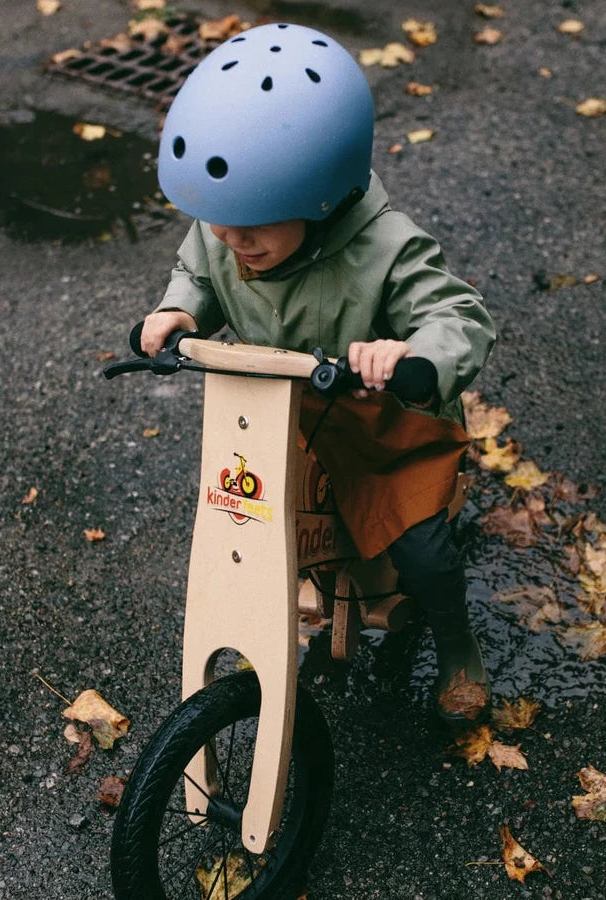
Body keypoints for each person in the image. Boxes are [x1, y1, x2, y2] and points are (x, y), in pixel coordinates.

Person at [140, 22, 496, 726]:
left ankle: (458, 645)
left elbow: (460, 314)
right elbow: (196, 271)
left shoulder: (386, 245)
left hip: (380, 429)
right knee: (250, 526)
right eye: (220, 223)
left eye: (254, 226)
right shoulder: (228, 228)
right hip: (287, 424)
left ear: (322, 193)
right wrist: (179, 312)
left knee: (420, 550)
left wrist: (413, 357)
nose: (233, 242)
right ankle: (289, 623)